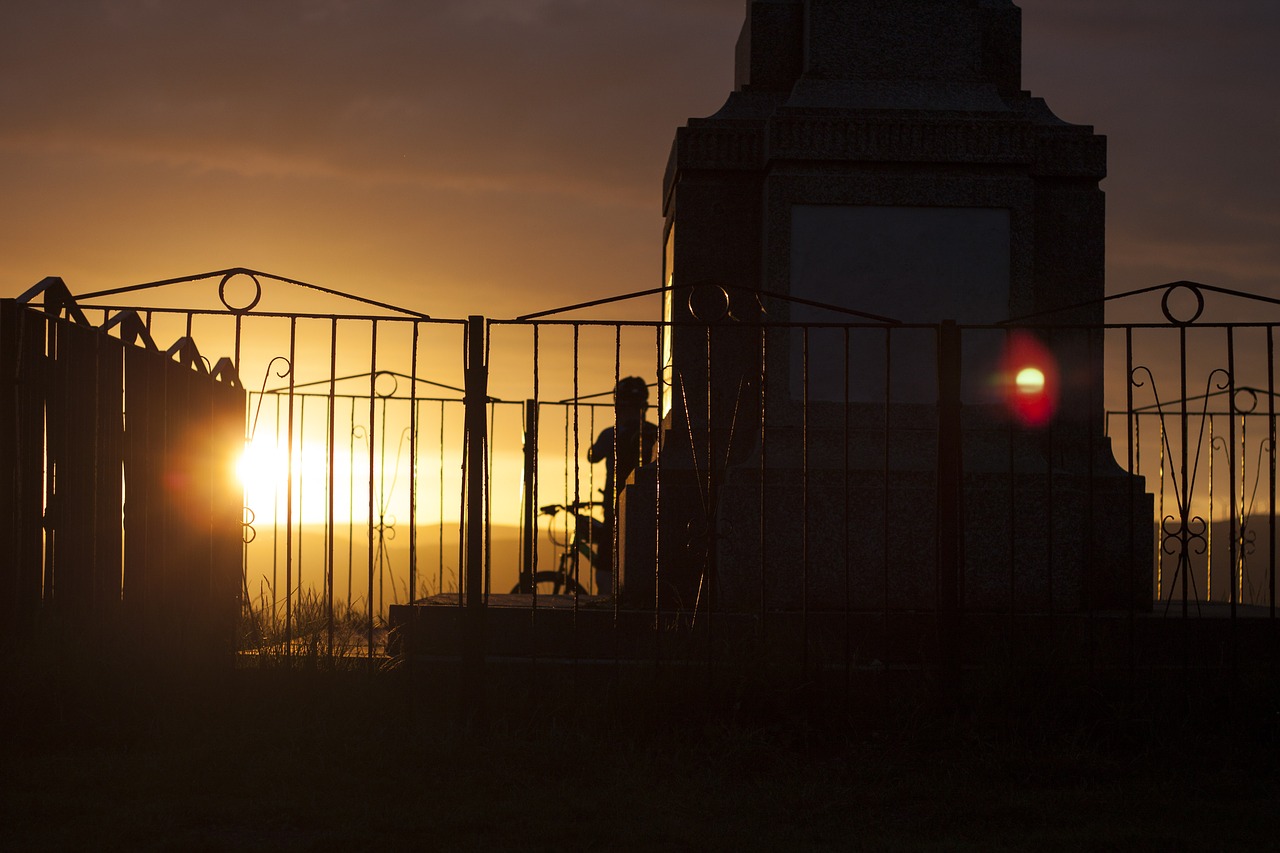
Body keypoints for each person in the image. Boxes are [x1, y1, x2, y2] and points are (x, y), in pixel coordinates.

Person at [586, 376, 658, 595]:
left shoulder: (612, 435)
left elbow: (593, 456)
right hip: (651, 505)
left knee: (607, 559)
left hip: (616, 504)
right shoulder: (656, 433)